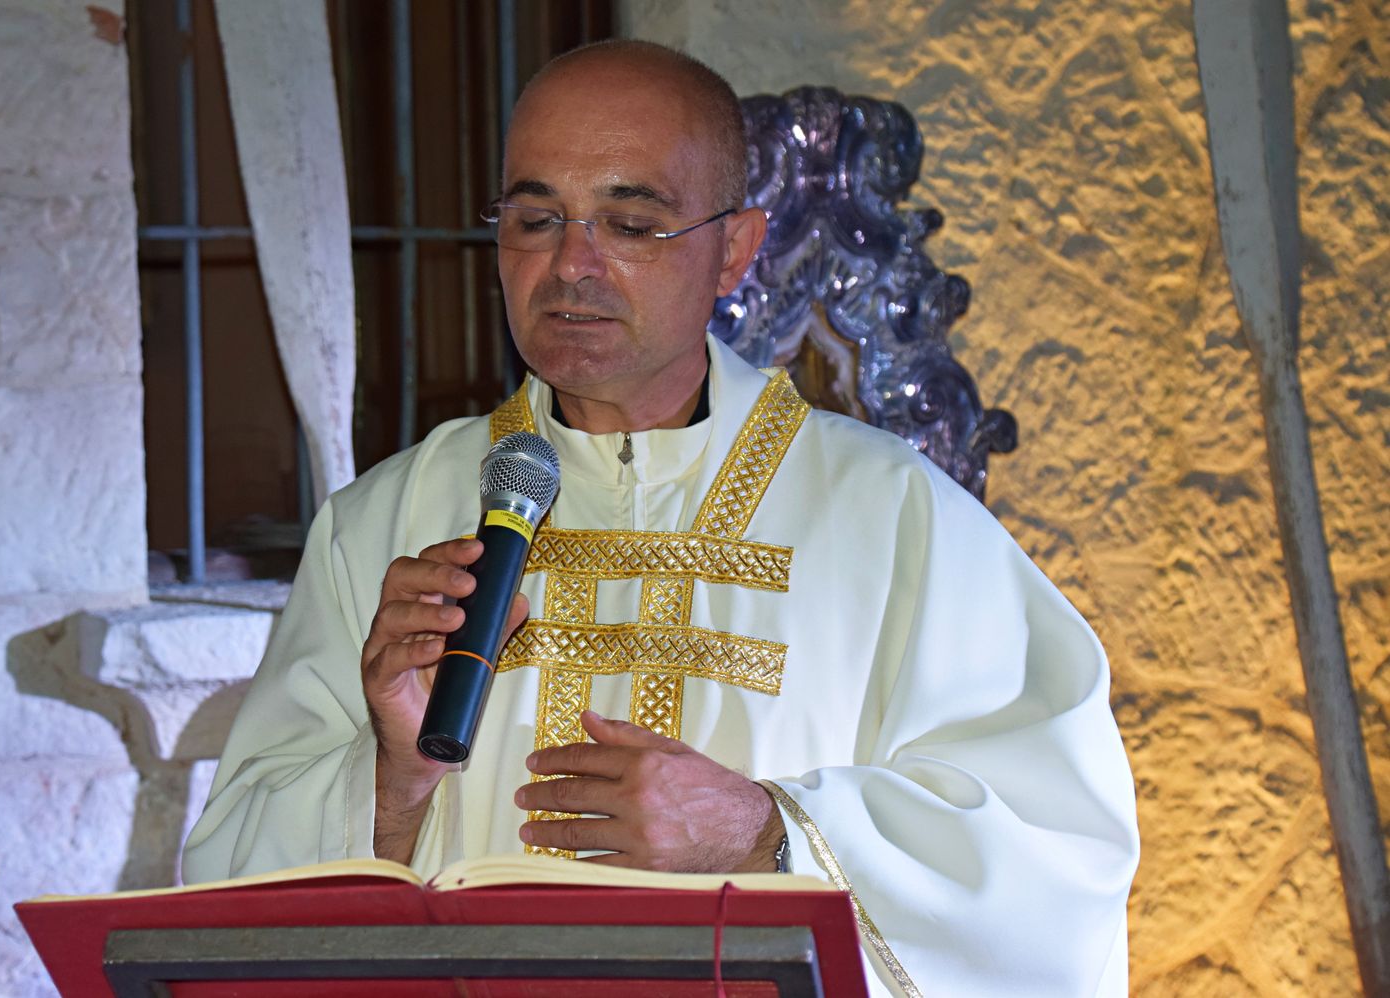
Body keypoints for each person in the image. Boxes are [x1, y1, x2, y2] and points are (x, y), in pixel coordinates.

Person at [184, 39, 1139, 996]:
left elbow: (1054, 855)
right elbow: (223, 887)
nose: (572, 265)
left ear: (735, 250)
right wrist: (388, 779)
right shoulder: (381, 525)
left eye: (631, 224)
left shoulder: (895, 520)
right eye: (534, 217)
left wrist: (769, 833)